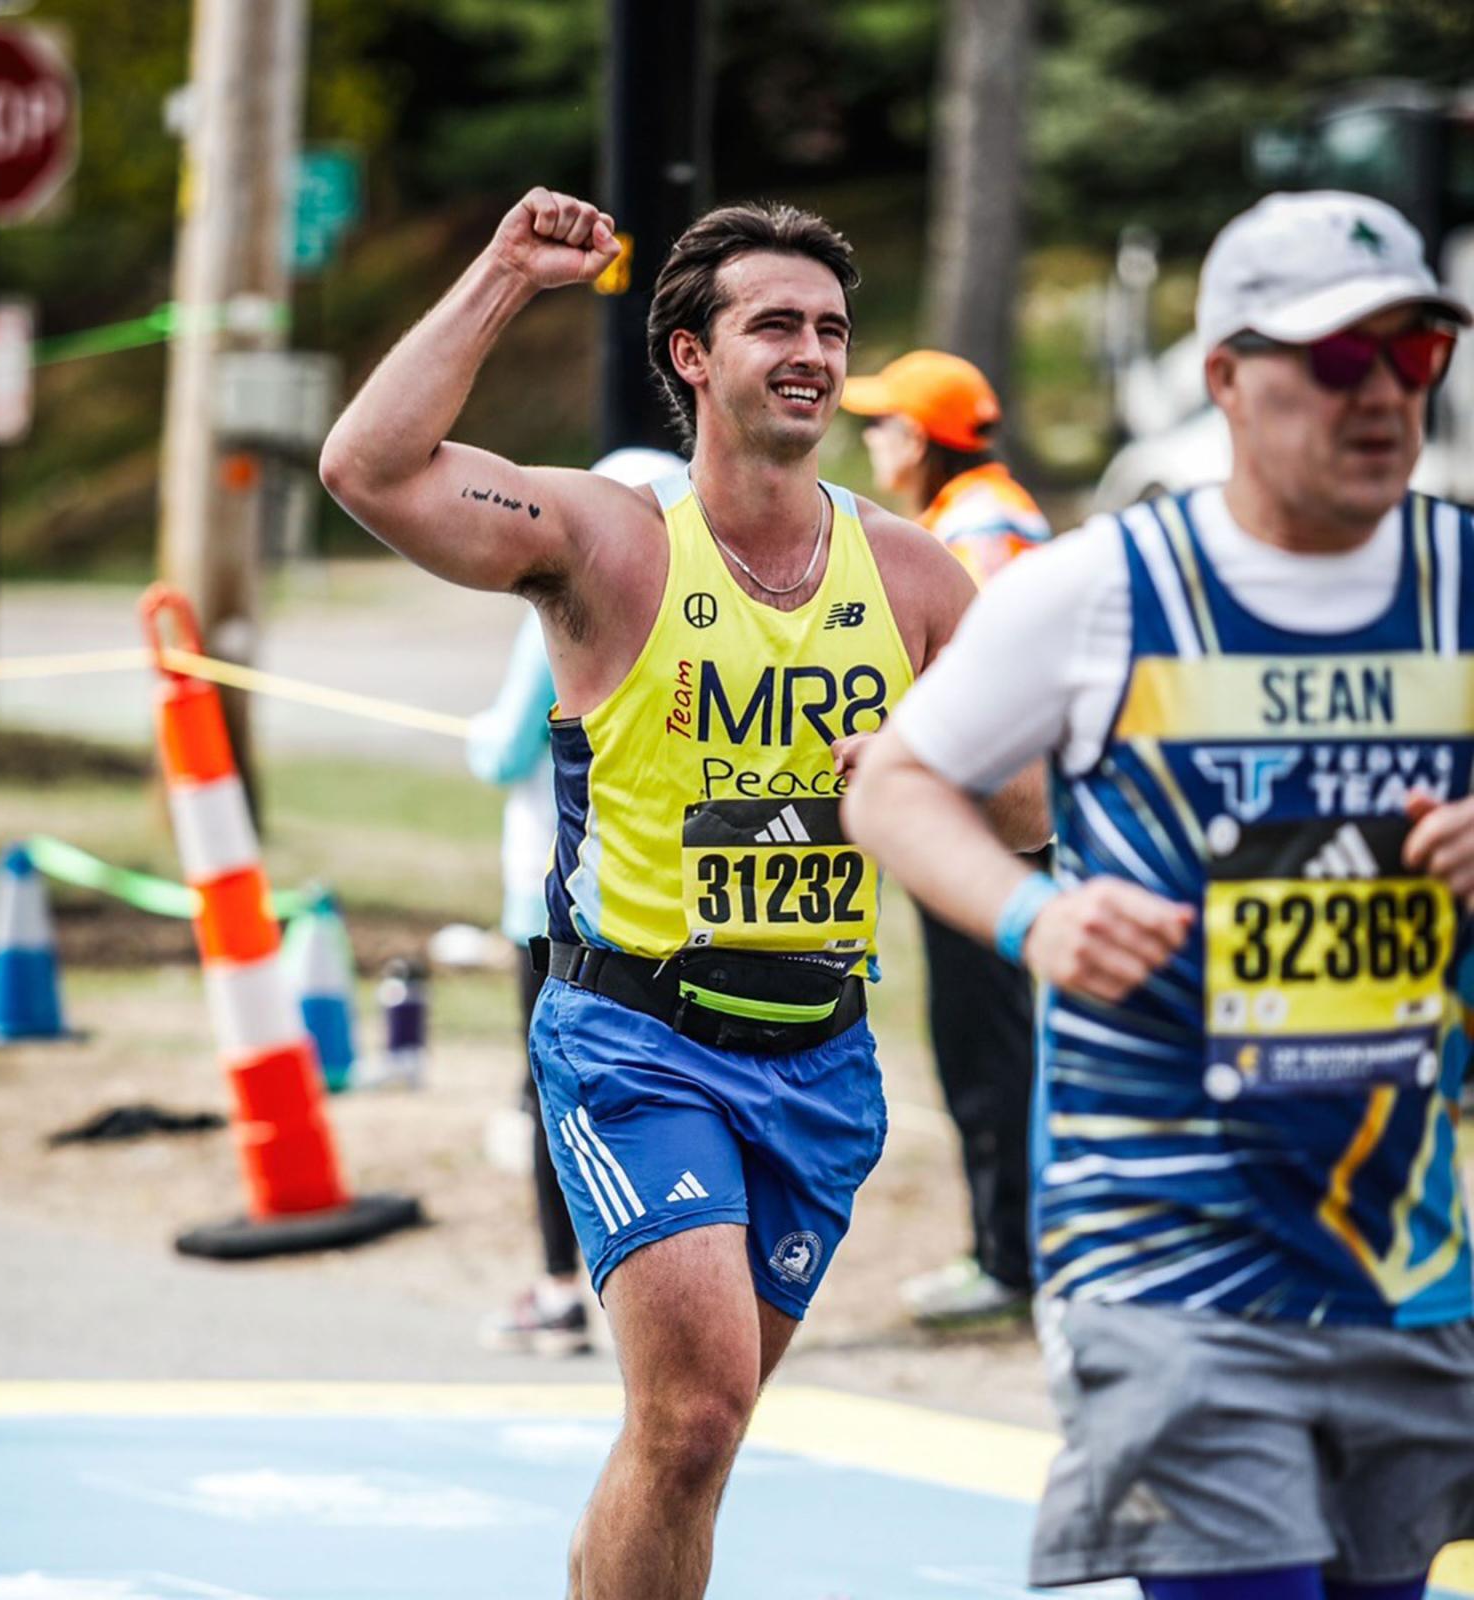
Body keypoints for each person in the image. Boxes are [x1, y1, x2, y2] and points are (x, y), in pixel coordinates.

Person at [320, 187, 1046, 1600]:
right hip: (638, 1041)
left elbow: (1035, 810)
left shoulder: (913, 573)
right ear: (692, 356)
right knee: (697, 1412)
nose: (814, 352)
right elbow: (369, 468)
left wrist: (922, 767)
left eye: (832, 328)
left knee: (689, 1441)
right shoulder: (610, 539)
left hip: (821, 1061)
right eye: (775, 321)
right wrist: (502, 276)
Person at [844, 189, 1474, 1597]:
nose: (1381, 394)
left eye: (1414, 355)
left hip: (1406, 1255)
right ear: (1227, 381)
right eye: (1335, 359)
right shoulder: (1101, 590)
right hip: (1166, 1249)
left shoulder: (1462, 580)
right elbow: (891, 783)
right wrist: (1032, 918)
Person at [842, 350, 1050, 1324]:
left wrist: (903, 747)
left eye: (881, 424)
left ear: (919, 440)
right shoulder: (979, 511)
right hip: (974, 815)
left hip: (980, 825)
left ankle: (1009, 1257)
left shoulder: (974, 527)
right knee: (989, 1034)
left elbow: (998, 683)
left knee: (986, 1038)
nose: (870, 438)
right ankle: (1009, 1248)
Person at [471, 446, 684, 1358]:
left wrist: (478, 736)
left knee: (556, 1093)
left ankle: (563, 1288)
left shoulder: (568, 589)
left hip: (554, 896)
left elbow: (502, 750)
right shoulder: (699, 597)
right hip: (672, 901)